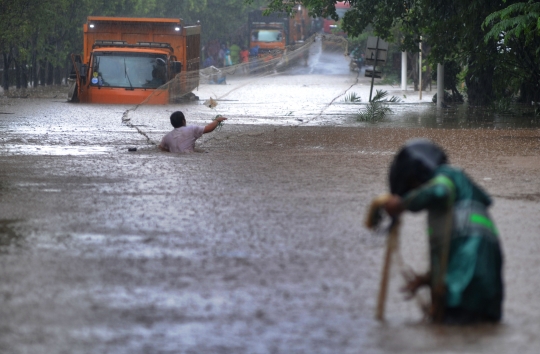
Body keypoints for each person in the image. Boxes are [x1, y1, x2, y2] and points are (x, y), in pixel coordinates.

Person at [384, 139, 504, 325]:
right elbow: (455, 247)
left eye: (414, 187)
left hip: (466, 278)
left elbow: (440, 191)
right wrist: (428, 279)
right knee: (478, 330)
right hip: (487, 281)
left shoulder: (445, 175)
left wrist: (402, 203)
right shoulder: (463, 194)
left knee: (451, 329)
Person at [159, 111, 227, 153]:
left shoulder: (166, 137)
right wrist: (217, 120)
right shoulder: (191, 129)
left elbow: (161, 148)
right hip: (189, 156)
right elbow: (209, 128)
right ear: (183, 121)